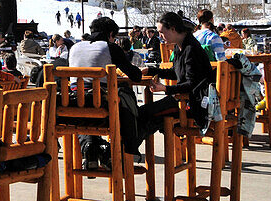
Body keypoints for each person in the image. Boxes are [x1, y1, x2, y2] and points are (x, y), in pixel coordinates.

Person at [67, 16, 144, 168]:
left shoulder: (74, 47)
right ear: (110, 34)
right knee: (125, 98)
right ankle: (118, 150)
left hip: (72, 104)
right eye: (114, 37)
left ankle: (92, 149)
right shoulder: (109, 47)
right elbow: (135, 76)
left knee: (87, 115)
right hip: (100, 104)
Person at [139, 12, 214, 143]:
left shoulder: (191, 49)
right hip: (185, 99)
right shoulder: (181, 46)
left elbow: (191, 84)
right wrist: (151, 70)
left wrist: (165, 88)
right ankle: (129, 151)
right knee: (147, 116)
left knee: (144, 113)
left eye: (162, 32)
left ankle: (127, 153)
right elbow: (176, 72)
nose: (160, 36)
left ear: (173, 29)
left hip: (192, 103)